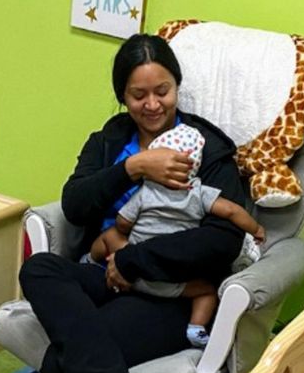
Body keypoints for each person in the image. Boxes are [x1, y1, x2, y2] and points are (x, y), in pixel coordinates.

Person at [19, 33, 251, 373]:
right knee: (39, 268)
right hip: (104, 271)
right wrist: (134, 167)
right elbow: (74, 203)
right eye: (137, 95)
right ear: (122, 97)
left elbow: (223, 240)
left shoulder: (206, 148)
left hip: (167, 292)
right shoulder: (110, 141)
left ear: (177, 88)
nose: (152, 105)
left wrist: (131, 262)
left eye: (162, 91)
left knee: (61, 359)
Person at [88, 122, 265, 348]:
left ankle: (90, 261)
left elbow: (123, 222)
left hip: (131, 276)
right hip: (172, 281)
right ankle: (196, 328)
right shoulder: (199, 193)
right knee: (207, 291)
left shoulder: (146, 192)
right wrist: (256, 229)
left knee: (109, 235)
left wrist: (125, 232)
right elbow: (231, 210)